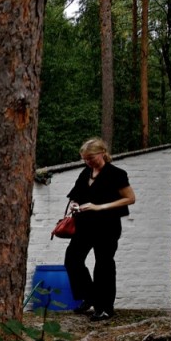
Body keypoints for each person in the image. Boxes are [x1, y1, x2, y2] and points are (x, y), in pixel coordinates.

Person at [64, 138, 136, 323]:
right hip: (83, 225)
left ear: (103, 152)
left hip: (107, 225)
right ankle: (90, 298)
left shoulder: (116, 174)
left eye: (91, 157)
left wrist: (100, 207)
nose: (88, 161)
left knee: (103, 264)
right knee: (72, 259)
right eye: (85, 158)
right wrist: (74, 204)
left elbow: (130, 198)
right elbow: (75, 195)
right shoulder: (85, 173)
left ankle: (105, 308)